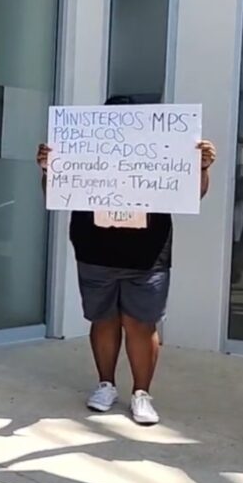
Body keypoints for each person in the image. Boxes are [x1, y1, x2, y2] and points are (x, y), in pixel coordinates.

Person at [36, 95, 217, 425]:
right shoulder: (82, 150)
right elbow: (53, 194)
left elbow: (194, 193)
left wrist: (201, 166)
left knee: (141, 324)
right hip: (94, 250)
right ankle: (106, 385)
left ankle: (141, 393)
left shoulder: (163, 151)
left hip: (148, 253)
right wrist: (50, 169)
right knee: (102, 319)